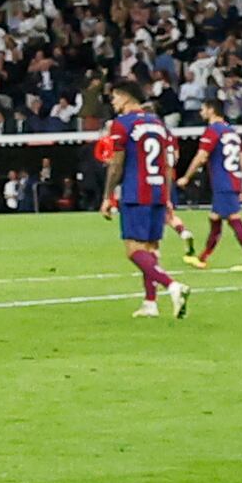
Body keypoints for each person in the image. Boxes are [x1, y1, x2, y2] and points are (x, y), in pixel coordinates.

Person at [99, 90, 186, 320]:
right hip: (158, 190)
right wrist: (167, 196)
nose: (114, 103)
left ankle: (172, 285)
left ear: (126, 96)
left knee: (133, 250)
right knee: (150, 249)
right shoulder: (158, 123)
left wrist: (108, 196)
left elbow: (116, 165)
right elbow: (168, 163)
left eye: (115, 98)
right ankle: (150, 303)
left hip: (136, 193)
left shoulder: (122, 124)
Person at [183, 110, 242, 270]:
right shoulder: (232, 132)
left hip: (223, 182)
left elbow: (202, 156)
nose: (201, 112)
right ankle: (203, 258)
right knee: (215, 218)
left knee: (234, 219)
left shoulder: (213, 130)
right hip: (231, 180)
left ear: (211, 110)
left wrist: (186, 176)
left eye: (203, 109)